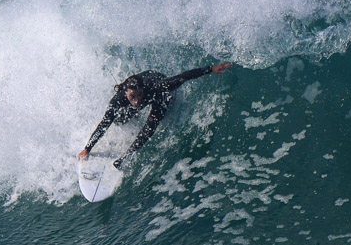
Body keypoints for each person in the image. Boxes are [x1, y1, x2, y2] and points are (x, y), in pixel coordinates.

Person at [79, 62, 234, 169]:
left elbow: (183, 76)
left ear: (142, 91)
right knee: (119, 120)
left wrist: (211, 68)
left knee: (150, 126)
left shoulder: (157, 88)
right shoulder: (119, 99)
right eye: (133, 96)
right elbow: (104, 123)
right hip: (141, 85)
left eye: (139, 95)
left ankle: (126, 157)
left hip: (157, 83)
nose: (137, 99)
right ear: (125, 94)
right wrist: (88, 148)